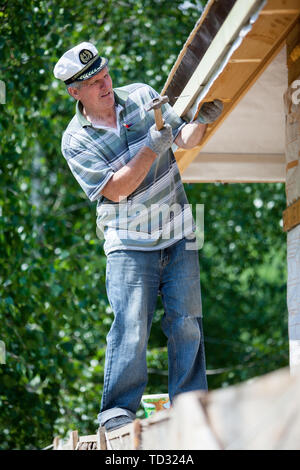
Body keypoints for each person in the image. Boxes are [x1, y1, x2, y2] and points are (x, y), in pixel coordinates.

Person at [53, 42, 223, 432]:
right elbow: (117, 190)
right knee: (130, 326)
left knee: (187, 323)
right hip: (128, 242)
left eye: (106, 75)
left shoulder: (144, 96)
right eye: (94, 83)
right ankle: (116, 414)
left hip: (178, 229)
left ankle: (190, 404)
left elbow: (183, 139)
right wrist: (151, 146)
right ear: (74, 92)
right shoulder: (75, 141)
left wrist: (204, 121)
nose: (105, 85)